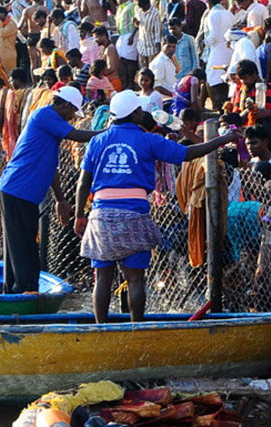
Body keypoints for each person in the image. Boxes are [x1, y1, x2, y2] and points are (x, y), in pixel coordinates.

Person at [75, 90, 237, 321]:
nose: (143, 112)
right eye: (139, 110)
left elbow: (83, 183)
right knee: (135, 279)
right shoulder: (148, 140)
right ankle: (137, 328)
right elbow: (187, 153)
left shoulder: (97, 141)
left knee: (102, 279)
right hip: (134, 213)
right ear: (132, 115)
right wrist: (221, 140)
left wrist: (79, 215)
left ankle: (101, 329)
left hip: (100, 215)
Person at [0, 86, 96, 293]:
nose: (71, 118)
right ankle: (25, 291)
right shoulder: (45, 114)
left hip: (21, 191)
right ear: (66, 106)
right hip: (18, 190)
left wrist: (61, 200)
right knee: (24, 247)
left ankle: (13, 290)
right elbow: (77, 135)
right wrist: (111, 132)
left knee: (18, 244)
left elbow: (52, 167)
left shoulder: (49, 123)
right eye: (72, 113)